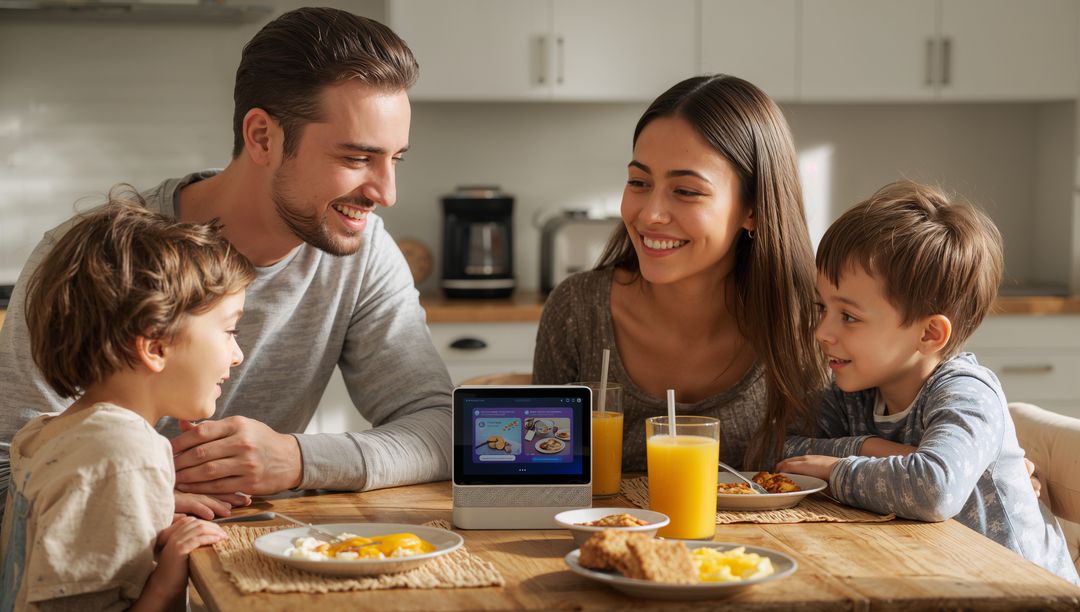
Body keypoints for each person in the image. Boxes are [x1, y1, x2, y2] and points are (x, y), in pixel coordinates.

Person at [0, 7, 452, 521]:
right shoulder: (95, 258)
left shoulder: (362, 251)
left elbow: (441, 428)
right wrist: (133, 502)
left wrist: (299, 460)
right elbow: (6, 466)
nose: (386, 194)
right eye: (355, 158)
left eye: (395, 160)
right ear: (262, 137)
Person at [778, 181, 1079, 585]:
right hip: (932, 578)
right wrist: (873, 449)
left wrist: (835, 469)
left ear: (929, 334)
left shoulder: (967, 392)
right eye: (822, 307)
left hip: (1021, 593)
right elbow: (781, 449)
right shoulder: (855, 391)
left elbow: (933, 490)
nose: (822, 332)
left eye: (848, 316)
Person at [533, 75, 825, 471]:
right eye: (639, 182)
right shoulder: (577, 310)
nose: (650, 214)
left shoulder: (810, 328)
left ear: (753, 209)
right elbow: (540, 471)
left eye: (686, 191)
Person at [0, 200, 248, 609]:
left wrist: (150, 507)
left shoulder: (47, 433)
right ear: (154, 346)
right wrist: (169, 578)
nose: (236, 355)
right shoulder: (126, 452)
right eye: (228, 330)